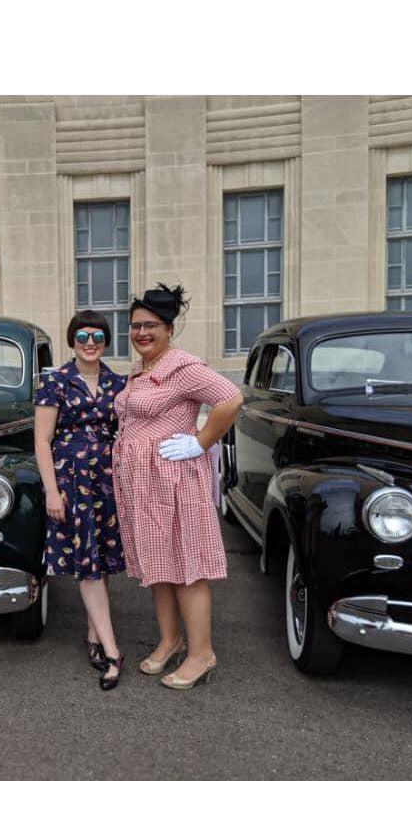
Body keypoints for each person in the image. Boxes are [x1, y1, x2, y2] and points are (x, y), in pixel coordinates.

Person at [113, 284, 243, 689]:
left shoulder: (183, 367)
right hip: (141, 483)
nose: (141, 332)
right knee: (158, 564)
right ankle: (171, 640)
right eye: (135, 325)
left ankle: (202, 653)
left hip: (173, 480)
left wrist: (201, 441)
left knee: (187, 566)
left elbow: (230, 398)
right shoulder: (139, 370)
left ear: (169, 328)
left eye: (150, 324)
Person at [33, 310, 127, 690]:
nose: (90, 343)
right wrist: (52, 491)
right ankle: (112, 651)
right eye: (83, 336)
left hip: (106, 480)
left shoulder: (118, 383)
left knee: (100, 558)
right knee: (85, 562)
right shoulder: (55, 382)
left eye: (98, 336)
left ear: (105, 341)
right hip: (71, 483)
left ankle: (92, 637)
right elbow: (41, 440)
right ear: (72, 340)